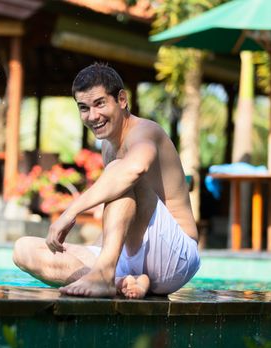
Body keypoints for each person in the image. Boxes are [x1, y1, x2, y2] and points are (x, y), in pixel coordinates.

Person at [12, 63, 200, 298]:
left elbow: (134, 170)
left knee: (120, 171)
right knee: (24, 249)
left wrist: (70, 212)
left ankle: (103, 275)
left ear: (121, 99)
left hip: (175, 257)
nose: (93, 116)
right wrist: (95, 252)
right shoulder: (109, 147)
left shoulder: (145, 132)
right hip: (131, 260)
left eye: (100, 103)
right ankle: (122, 282)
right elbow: (122, 212)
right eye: (84, 108)